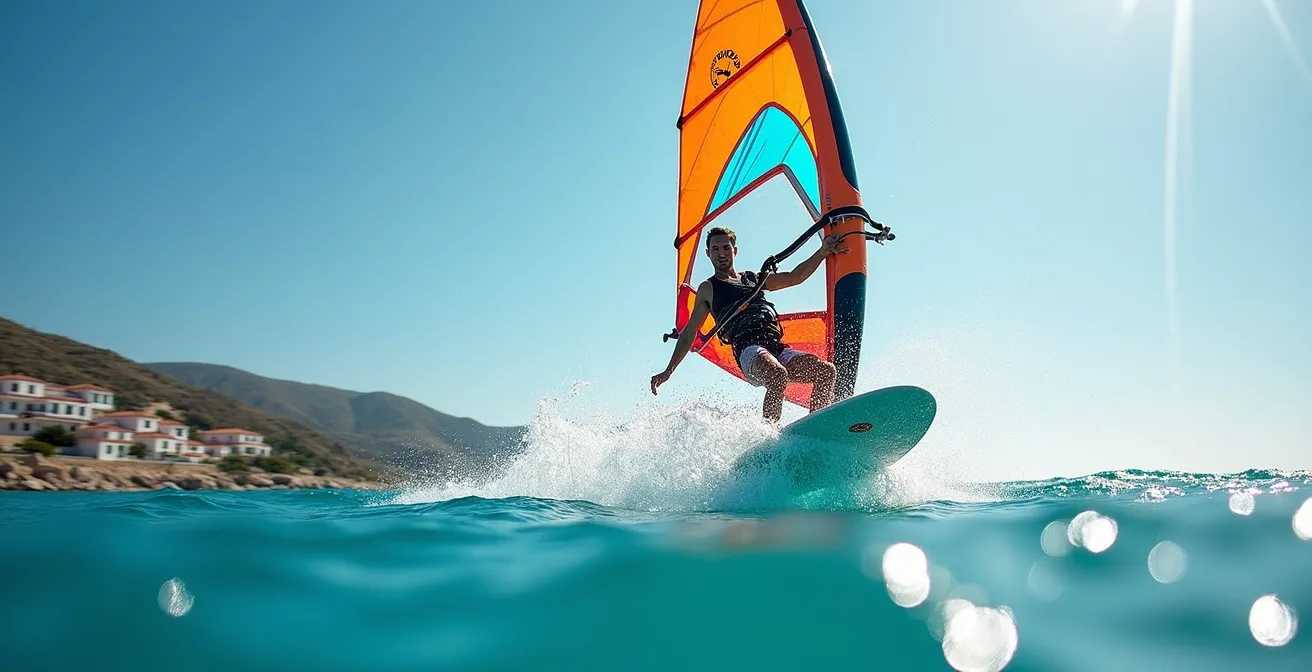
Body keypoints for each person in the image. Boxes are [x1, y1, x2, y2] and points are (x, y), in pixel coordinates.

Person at [650, 226, 845, 423]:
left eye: (726, 248)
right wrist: (669, 370)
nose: (721, 253)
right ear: (708, 254)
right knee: (778, 375)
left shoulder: (752, 279)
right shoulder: (708, 288)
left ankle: (815, 426)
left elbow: (795, 277)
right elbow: (689, 333)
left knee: (826, 371)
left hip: (776, 348)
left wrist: (823, 252)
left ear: (735, 250)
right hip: (748, 350)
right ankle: (770, 437)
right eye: (715, 249)